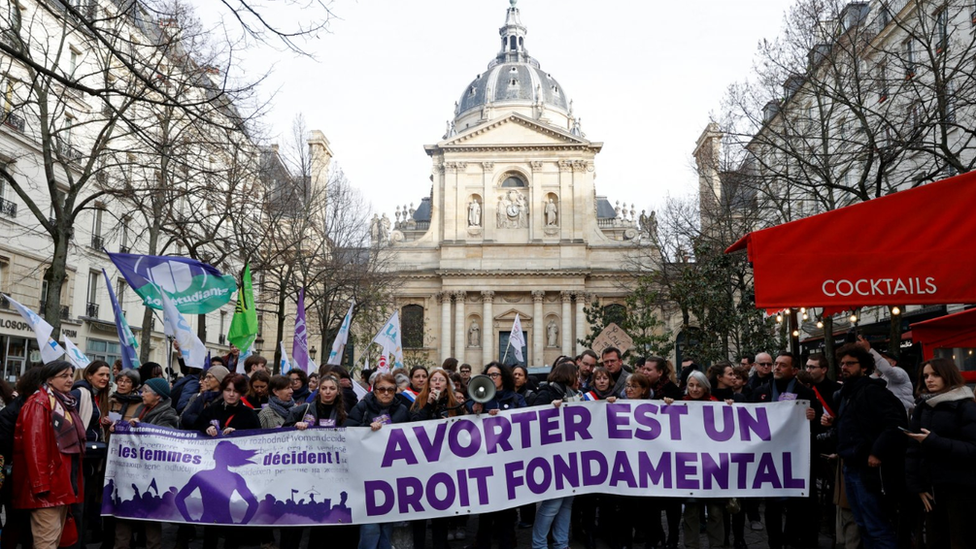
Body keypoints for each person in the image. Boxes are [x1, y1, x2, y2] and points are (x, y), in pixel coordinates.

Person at [822, 343, 907, 549]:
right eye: (842, 363)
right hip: (850, 465)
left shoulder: (872, 392)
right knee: (863, 525)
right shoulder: (846, 393)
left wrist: (877, 452)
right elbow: (854, 426)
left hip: (867, 469)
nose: (844, 367)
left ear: (865, 367)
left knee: (876, 526)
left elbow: (896, 424)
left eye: (850, 363)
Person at [750, 352, 821, 549]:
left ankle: (791, 539)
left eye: (782, 365)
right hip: (769, 458)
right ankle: (774, 542)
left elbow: (818, 427)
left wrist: (813, 417)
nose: (777, 368)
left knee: (796, 506)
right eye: (776, 364)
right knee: (772, 506)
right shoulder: (760, 392)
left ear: (794, 370)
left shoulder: (806, 393)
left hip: (795, 459)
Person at [904, 358, 976, 549]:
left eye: (935, 374)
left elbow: (972, 448)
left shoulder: (965, 406)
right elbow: (913, 450)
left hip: (960, 489)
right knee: (935, 540)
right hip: (931, 488)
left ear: (947, 375)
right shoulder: (923, 406)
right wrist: (917, 486)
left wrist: (934, 442)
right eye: (925, 375)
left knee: (960, 540)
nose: (929, 379)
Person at [14, 361, 85, 549]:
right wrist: (41, 485)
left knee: (55, 539)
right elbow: (35, 447)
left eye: (71, 375)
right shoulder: (40, 402)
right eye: (64, 376)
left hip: (61, 484)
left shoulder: (63, 401)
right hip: (48, 488)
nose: (70, 380)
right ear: (50, 379)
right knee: (46, 541)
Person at [346, 374, 409, 549]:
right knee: (370, 524)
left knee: (387, 524)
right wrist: (367, 430)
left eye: (391, 390)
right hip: (368, 474)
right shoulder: (362, 407)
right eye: (382, 389)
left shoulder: (403, 410)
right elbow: (348, 430)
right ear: (375, 391)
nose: (386, 393)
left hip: (391, 474)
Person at [664, 371, 725, 549]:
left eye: (698, 385)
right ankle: (691, 545)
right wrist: (668, 405)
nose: (695, 389)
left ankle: (717, 545)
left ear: (706, 386)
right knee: (691, 511)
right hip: (689, 467)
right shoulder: (680, 404)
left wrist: (730, 408)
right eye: (691, 385)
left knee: (715, 511)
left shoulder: (716, 404)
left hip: (713, 465)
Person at [471, 363, 526, 549]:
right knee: (485, 515)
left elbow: (525, 422)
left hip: (508, 464)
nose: (491, 378)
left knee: (507, 515)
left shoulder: (517, 399)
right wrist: (476, 412)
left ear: (504, 377)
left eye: (495, 374)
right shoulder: (479, 400)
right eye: (488, 375)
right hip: (485, 464)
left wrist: (505, 416)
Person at [409, 369, 464, 549]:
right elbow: (415, 423)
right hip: (422, 465)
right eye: (434, 380)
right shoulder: (420, 401)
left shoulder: (454, 403)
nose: (438, 383)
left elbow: (466, 427)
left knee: (441, 513)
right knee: (420, 514)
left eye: (441, 380)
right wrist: (429, 405)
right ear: (429, 384)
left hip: (445, 464)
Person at [530, 360, 582, 549]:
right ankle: (539, 544)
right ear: (569, 376)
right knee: (552, 505)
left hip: (570, 457)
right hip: (552, 457)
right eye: (576, 375)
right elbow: (533, 418)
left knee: (567, 503)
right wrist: (550, 409)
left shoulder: (577, 395)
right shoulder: (547, 393)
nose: (579, 379)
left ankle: (561, 543)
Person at [71, 360, 112, 546]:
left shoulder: (97, 396)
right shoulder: (80, 393)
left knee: (86, 504)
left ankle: (80, 541)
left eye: (107, 375)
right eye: (101, 374)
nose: (105, 378)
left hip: (91, 459)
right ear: (89, 375)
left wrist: (102, 425)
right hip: (80, 457)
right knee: (78, 506)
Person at [180, 365, 229, 430]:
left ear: (220, 379)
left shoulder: (226, 401)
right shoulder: (201, 397)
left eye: (209, 377)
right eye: (206, 377)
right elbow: (185, 417)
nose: (205, 380)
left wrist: (197, 419)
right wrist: (205, 423)